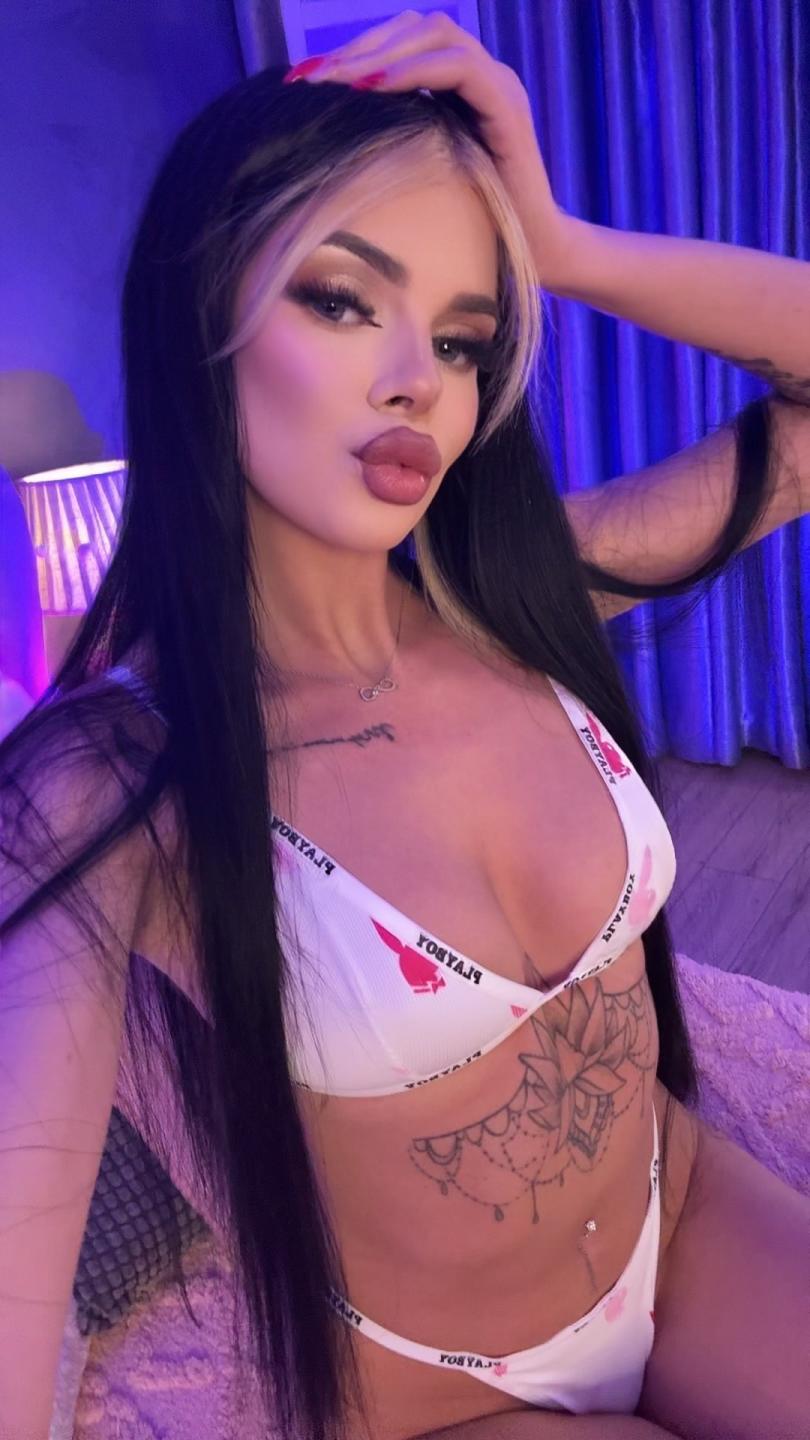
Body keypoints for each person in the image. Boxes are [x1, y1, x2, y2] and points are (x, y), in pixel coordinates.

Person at [1, 12, 808, 1440]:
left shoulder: (520, 594)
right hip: (447, 1388)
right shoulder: (108, 780)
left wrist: (560, 246)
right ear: (197, 318)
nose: (417, 380)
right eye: (340, 299)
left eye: (461, 336)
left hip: (678, 1217)